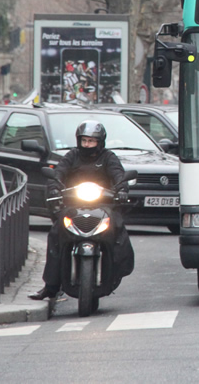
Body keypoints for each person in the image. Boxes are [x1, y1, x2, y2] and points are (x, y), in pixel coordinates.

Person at [29, 120, 130, 300]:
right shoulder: (72, 156)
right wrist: (54, 186)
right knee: (55, 234)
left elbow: (118, 174)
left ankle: (116, 269)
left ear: (100, 142)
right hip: (74, 205)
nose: (87, 145)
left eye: (91, 141)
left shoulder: (108, 157)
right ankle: (51, 286)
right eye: (84, 141)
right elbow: (59, 172)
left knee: (118, 227)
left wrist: (122, 189)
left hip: (103, 205)